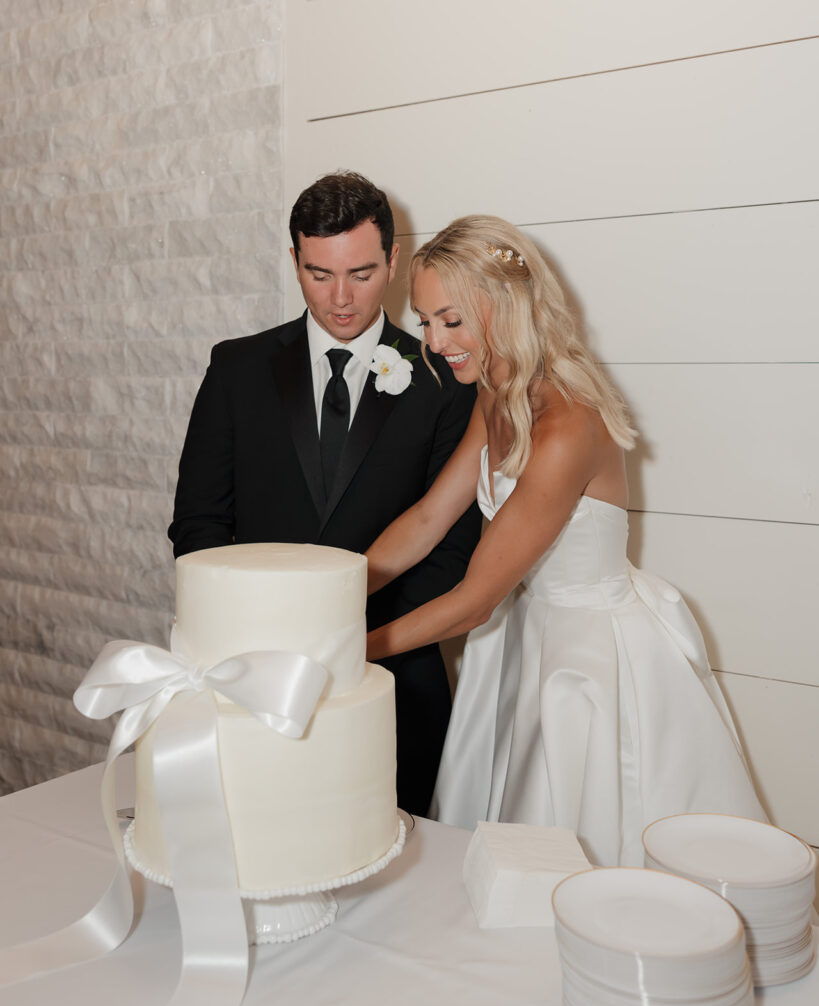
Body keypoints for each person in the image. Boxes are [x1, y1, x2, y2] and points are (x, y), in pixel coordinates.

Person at [365, 214, 765, 865]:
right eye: (424, 320)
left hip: (587, 657)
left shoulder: (565, 423)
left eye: (451, 319)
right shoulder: (493, 391)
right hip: (525, 637)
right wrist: (328, 590)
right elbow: (426, 522)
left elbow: (474, 602)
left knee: (581, 851)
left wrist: (347, 649)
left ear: (503, 306)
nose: (434, 342)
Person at [168, 172, 482, 816]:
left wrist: (337, 634)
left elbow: (453, 551)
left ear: (393, 261)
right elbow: (198, 526)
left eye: (362, 274)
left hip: (395, 681)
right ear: (294, 260)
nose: (341, 299)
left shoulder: (446, 378)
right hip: (254, 669)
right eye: (319, 274)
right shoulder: (235, 369)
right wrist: (258, 628)